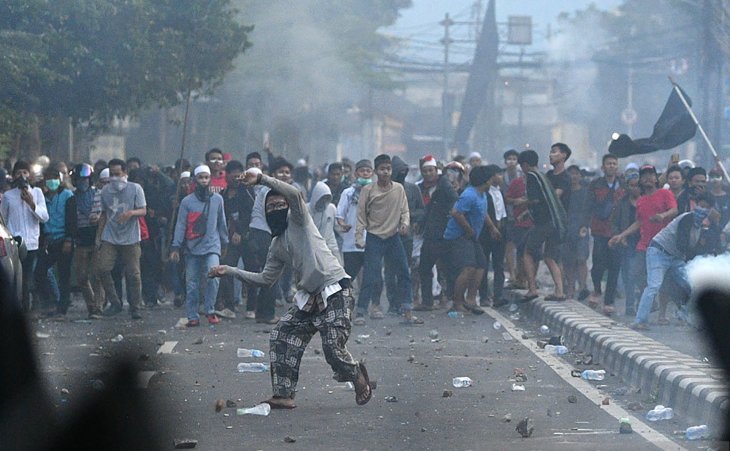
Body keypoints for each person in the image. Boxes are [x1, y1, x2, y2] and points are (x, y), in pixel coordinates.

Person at [208, 166, 374, 409]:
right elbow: (265, 279)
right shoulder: (276, 245)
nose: (276, 209)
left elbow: (295, 196)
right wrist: (230, 271)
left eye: (279, 205)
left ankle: (358, 376)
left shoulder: (299, 220)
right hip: (309, 298)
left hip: (335, 290)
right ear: (265, 212)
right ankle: (284, 393)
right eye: (271, 207)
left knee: (332, 349)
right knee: (281, 335)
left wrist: (263, 180)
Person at [630, 192, 718, 330]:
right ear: (695, 205)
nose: (703, 210)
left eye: (707, 207)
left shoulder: (699, 226)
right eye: (701, 205)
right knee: (654, 285)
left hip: (675, 257)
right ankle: (640, 320)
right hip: (659, 252)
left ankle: (685, 316)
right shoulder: (687, 219)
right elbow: (682, 245)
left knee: (689, 285)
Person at [355, 154, 421, 325]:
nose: (386, 172)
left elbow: (404, 210)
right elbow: (361, 216)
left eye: (388, 169)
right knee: (370, 276)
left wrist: (405, 223)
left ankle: (407, 311)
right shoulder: (368, 191)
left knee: (404, 273)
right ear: (376, 171)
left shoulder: (398, 189)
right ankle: (361, 311)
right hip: (375, 237)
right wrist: (359, 237)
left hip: (393, 238)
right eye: (382, 169)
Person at [170, 165, 228, 326]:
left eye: (206, 177)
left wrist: (225, 242)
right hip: (192, 247)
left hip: (212, 246)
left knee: (213, 278)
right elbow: (181, 225)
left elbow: (222, 223)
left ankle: (210, 310)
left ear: (210, 179)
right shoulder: (186, 202)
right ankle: (192, 316)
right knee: (192, 283)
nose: (203, 180)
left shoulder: (217, 200)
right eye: (200, 177)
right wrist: (175, 246)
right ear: (195, 179)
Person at [95, 158, 147, 320]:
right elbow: (104, 214)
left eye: (118, 174)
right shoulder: (105, 191)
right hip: (110, 235)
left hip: (131, 237)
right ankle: (115, 302)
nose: (115, 178)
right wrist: (98, 236)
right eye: (112, 174)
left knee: (134, 274)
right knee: (102, 268)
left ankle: (135, 306)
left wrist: (130, 213)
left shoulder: (135, 189)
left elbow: (143, 210)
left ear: (125, 173)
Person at [0, 160, 49, 312]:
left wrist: (31, 203)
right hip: (14, 243)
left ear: (30, 175)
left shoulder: (37, 193)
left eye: (25, 172)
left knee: (29, 277)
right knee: (17, 278)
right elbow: (4, 219)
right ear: (14, 176)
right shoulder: (8, 196)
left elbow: (44, 217)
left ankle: (31, 307)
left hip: (32, 243)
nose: (22, 175)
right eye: (19, 173)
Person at [519, 150, 567, 302]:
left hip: (543, 223)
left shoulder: (532, 177)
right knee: (549, 257)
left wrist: (521, 202)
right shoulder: (542, 176)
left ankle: (532, 289)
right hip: (554, 222)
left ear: (525, 165)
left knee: (526, 252)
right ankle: (560, 292)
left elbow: (535, 200)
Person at [443, 165, 491, 314]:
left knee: (481, 265)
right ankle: (457, 302)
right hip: (459, 236)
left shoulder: (482, 195)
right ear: (486, 180)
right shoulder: (469, 195)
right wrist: (469, 230)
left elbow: (483, 213)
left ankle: (470, 299)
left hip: (471, 236)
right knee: (468, 267)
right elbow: (456, 213)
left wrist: (492, 228)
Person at [335, 160, 383, 307]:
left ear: (372, 174)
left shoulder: (379, 193)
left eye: (368, 171)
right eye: (362, 171)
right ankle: (343, 305)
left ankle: (374, 306)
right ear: (356, 173)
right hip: (351, 243)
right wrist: (343, 224)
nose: (365, 174)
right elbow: (339, 215)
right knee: (348, 276)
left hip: (373, 242)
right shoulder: (348, 193)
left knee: (375, 277)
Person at [416, 155, 458, 311]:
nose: (428, 174)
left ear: (436, 171)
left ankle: (451, 299)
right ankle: (429, 301)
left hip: (442, 234)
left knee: (446, 269)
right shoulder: (422, 187)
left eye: (430, 171)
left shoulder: (444, 185)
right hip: (432, 233)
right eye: (425, 171)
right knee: (425, 268)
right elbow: (428, 209)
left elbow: (454, 201)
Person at [216, 160, 256, 316]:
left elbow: (250, 214)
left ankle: (251, 308)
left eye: (238, 176)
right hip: (229, 239)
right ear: (226, 176)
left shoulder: (247, 192)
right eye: (232, 176)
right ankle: (229, 307)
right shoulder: (222, 195)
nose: (235, 179)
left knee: (252, 272)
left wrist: (240, 231)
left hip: (247, 238)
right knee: (226, 269)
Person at [35, 166, 74, 318]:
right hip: (48, 241)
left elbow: (71, 219)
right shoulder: (42, 197)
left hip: (63, 239)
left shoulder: (68, 195)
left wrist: (69, 239)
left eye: (54, 178)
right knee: (39, 272)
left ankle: (62, 308)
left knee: (64, 275)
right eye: (48, 178)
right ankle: (48, 302)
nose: (52, 181)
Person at [386, 156, 424, 314]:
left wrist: (408, 216)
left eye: (404, 172)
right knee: (389, 272)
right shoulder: (384, 190)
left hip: (406, 236)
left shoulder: (413, 189)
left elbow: (421, 210)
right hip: (387, 235)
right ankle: (392, 302)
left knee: (404, 270)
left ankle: (404, 302)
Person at [586, 154, 624, 313]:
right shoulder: (595, 185)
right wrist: (584, 225)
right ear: (603, 167)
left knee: (615, 267)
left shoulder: (623, 185)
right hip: (599, 230)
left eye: (614, 163)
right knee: (598, 264)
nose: (611, 166)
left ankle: (609, 301)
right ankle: (596, 289)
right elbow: (587, 206)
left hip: (616, 232)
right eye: (608, 163)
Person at [65, 163, 104, 319]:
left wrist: (99, 219)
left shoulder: (100, 195)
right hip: (80, 241)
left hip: (97, 239)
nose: (83, 182)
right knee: (81, 276)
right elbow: (69, 221)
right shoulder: (71, 198)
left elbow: (106, 214)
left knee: (96, 275)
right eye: (80, 180)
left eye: (85, 179)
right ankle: (91, 305)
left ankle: (99, 306)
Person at [612, 169, 642, 316]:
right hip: (627, 242)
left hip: (644, 241)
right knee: (629, 274)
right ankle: (630, 304)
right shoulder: (622, 203)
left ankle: (644, 303)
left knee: (642, 274)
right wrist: (620, 236)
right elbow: (614, 223)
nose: (634, 188)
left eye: (637, 185)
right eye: (631, 185)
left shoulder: (646, 201)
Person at [479, 164, 508, 307]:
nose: (501, 177)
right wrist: (492, 227)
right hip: (486, 233)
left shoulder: (500, 192)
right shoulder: (484, 193)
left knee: (499, 265)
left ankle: (498, 295)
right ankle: (483, 296)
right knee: (483, 265)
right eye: (499, 174)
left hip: (500, 232)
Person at [561, 165, 591, 302]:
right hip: (566, 228)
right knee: (568, 261)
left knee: (581, 259)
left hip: (581, 229)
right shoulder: (564, 193)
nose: (573, 176)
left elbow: (588, 211)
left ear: (580, 176)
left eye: (576, 174)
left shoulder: (585, 192)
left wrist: (585, 225)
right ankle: (570, 287)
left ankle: (583, 286)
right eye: (571, 174)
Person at [309, 181, 340, 261]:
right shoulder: (305, 210)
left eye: (326, 199)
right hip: (310, 248)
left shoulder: (331, 208)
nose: (323, 201)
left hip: (329, 246)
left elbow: (338, 227)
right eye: (322, 198)